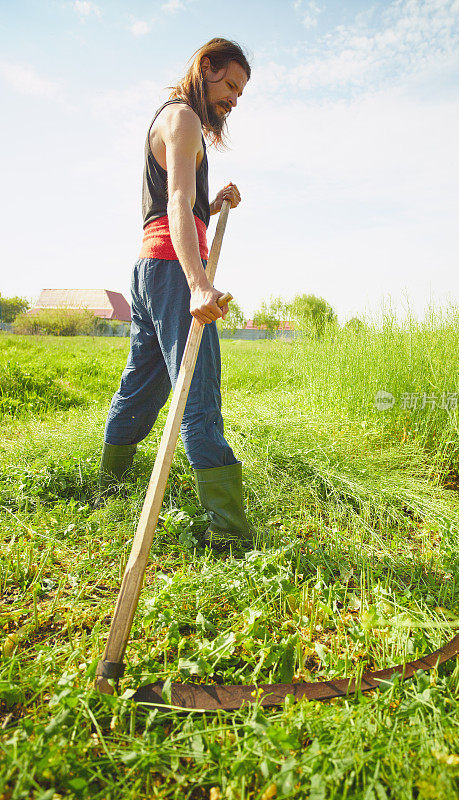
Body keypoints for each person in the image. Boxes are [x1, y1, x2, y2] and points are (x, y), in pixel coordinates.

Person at [98, 38, 253, 548]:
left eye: (240, 93)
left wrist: (216, 202)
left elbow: (188, 204)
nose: (233, 100)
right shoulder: (184, 118)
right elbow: (177, 203)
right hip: (170, 273)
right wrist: (197, 284)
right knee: (199, 394)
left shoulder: (168, 120)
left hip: (148, 268)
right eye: (229, 85)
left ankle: (110, 484)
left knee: (142, 385)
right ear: (205, 67)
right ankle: (229, 531)